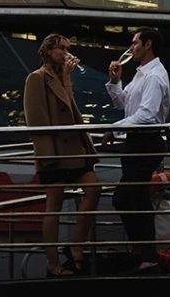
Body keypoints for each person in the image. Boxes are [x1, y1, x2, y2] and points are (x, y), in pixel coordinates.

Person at [24, 33, 101, 277]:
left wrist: (67, 77)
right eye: (62, 49)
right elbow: (35, 119)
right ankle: (54, 264)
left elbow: (71, 108)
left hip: (74, 151)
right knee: (53, 206)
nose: (67, 53)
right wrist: (47, 156)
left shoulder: (61, 76)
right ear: (49, 51)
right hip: (55, 153)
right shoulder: (36, 78)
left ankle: (76, 245)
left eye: (69, 48)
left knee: (94, 189)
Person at [103, 27, 170, 273]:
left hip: (146, 141)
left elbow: (146, 115)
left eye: (134, 43)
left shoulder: (154, 76)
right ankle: (146, 253)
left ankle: (145, 252)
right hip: (136, 142)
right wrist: (115, 80)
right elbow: (124, 102)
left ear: (148, 44)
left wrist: (115, 128)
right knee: (137, 198)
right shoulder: (143, 73)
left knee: (125, 198)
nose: (131, 48)